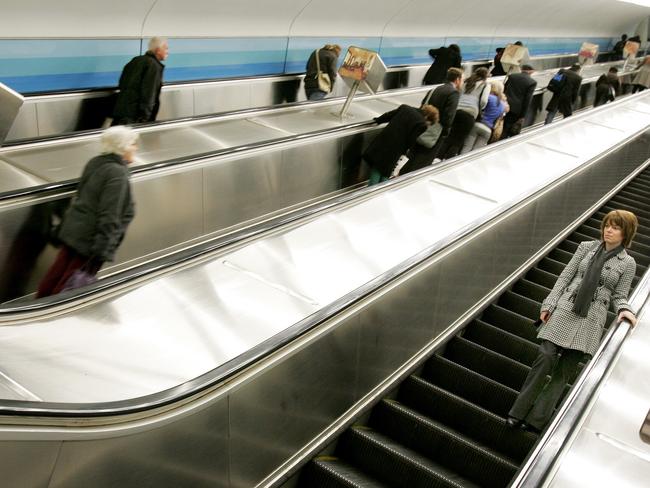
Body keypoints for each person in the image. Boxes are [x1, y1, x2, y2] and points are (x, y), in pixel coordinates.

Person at [506, 210, 638, 433]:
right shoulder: (586, 247)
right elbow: (566, 276)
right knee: (545, 357)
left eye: (615, 227)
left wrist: (624, 309)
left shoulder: (628, 263)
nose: (608, 230)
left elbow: (620, 295)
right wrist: (549, 304)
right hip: (566, 308)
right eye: (607, 225)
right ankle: (517, 412)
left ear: (626, 233)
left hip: (591, 319)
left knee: (564, 372)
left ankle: (537, 420)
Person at [36, 126, 137, 298]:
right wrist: (102, 249)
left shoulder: (96, 162)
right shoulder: (117, 173)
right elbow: (110, 214)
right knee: (70, 287)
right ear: (123, 147)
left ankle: (38, 306)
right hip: (90, 241)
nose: (136, 148)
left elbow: (81, 195)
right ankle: (53, 317)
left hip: (73, 232)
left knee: (56, 275)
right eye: (133, 144)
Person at [401, 67, 463, 173]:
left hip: (422, 127)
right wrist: (445, 133)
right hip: (435, 133)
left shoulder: (435, 89)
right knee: (422, 163)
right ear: (457, 80)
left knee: (413, 159)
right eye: (462, 80)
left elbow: (423, 106)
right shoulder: (454, 93)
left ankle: (400, 177)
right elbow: (449, 116)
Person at [363, 104, 439, 185]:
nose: (428, 125)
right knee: (385, 172)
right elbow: (410, 141)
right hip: (396, 149)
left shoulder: (405, 108)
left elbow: (388, 116)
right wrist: (403, 154)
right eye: (429, 123)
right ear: (427, 117)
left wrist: (377, 120)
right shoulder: (422, 124)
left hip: (384, 140)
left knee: (378, 167)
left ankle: (375, 190)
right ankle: (376, 191)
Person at [112, 37, 168, 126]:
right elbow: (149, 94)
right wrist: (144, 120)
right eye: (166, 48)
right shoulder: (153, 66)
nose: (167, 51)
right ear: (158, 50)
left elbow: (121, 83)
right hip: (135, 117)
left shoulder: (135, 60)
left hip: (120, 112)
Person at [438, 67, 490, 159]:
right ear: (486, 76)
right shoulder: (485, 85)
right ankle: (447, 160)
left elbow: (458, 93)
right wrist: (479, 108)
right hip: (470, 113)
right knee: (458, 140)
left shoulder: (466, 81)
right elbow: (484, 101)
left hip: (457, 110)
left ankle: (438, 157)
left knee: (449, 136)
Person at [461, 80, 508, 153]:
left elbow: (481, 106)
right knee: (476, 152)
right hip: (488, 130)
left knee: (466, 147)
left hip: (477, 125)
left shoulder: (488, 97)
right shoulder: (503, 105)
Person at [502, 64, 537, 139]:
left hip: (504, 105)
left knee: (501, 125)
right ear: (531, 72)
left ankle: (496, 142)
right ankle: (502, 143)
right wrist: (522, 116)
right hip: (516, 110)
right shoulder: (532, 82)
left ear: (521, 69)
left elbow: (504, 88)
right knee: (510, 129)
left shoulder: (512, 76)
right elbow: (527, 100)